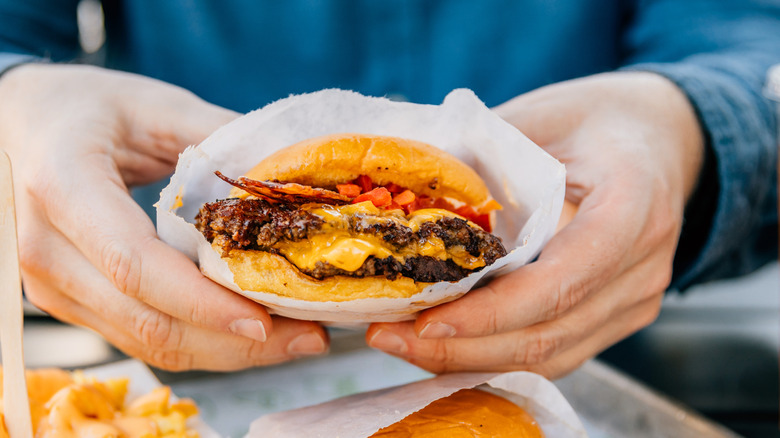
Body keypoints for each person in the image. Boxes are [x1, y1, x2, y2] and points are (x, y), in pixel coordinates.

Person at [0, 1, 777, 377]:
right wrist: (18, 103)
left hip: (571, 369)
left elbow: (744, 37)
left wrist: (685, 126)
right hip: (181, 368)